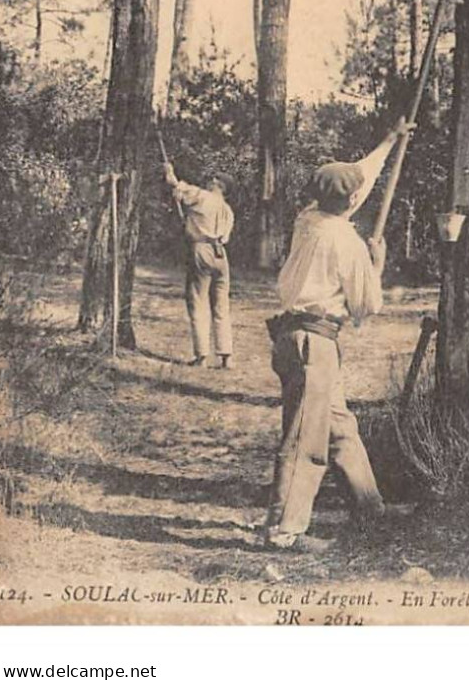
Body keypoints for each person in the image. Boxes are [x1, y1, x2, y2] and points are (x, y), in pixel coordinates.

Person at [264, 117, 413, 553]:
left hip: (293, 338)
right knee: (304, 437)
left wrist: (389, 140)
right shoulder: (347, 245)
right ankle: (284, 531)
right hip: (314, 344)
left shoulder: (307, 220)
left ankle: (371, 510)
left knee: (339, 426)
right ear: (350, 201)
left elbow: (358, 181)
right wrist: (377, 264)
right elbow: (367, 304)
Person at [164, 162, 235, 369]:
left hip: (202, 249)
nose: (210, 180)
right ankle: (226, 355)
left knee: (198, 301)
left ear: (220, 186)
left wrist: (169, 172)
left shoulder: (203, 196)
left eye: (214, 179)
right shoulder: (228, 211)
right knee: (222, 305)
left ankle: (202, 355)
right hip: (221, 255)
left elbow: (175, 186)